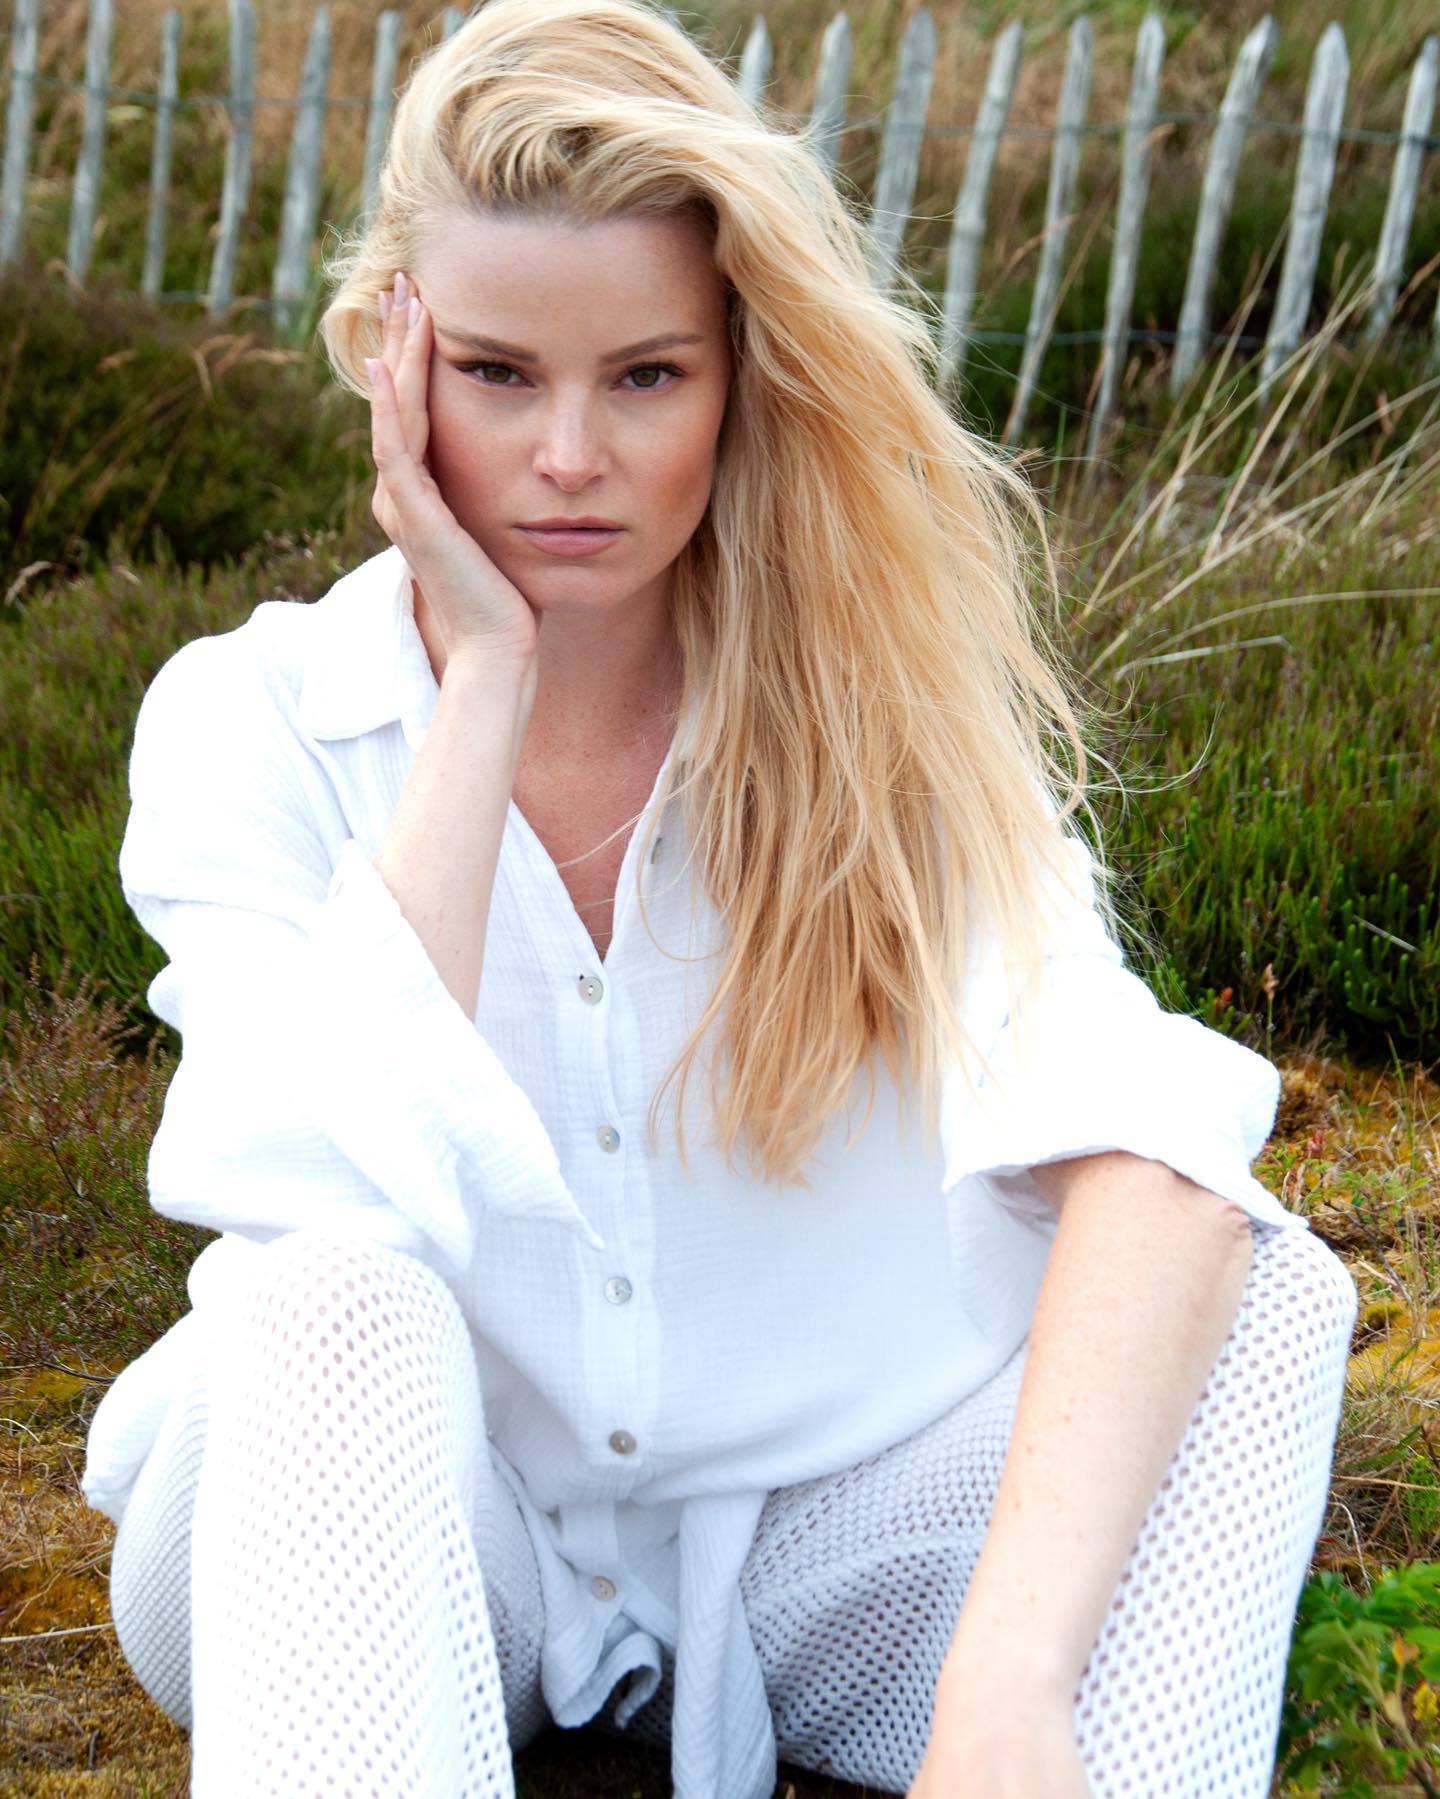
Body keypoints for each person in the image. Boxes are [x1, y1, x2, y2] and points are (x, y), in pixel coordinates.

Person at [81, 2, 1358, 1794]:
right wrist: (485, 686)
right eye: (498, 374)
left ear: (737, 378)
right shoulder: (254, 719)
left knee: (1261, 1293)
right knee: (327, 1292)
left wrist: (1009, 1686)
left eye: (646, 377)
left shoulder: (883, 725)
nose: (570, 456)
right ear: (393, 357)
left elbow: (1156, 1158)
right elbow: (309, 1192)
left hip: (821, 1560)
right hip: (393, 1534)